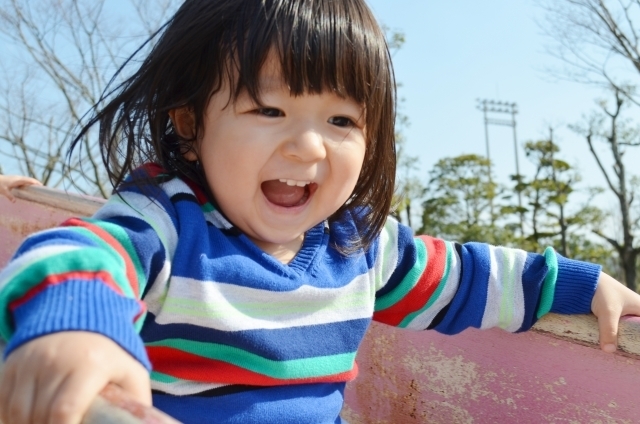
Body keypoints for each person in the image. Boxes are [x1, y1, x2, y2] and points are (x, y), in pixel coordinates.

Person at [0, 0, 638, 423]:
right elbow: (80, 256)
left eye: (340, 120)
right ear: (190, 121)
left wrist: (579, 286)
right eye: (269, 110)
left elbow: (467, 278)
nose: (308, 145)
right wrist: (76, 326)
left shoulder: (360, 248)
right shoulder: (169, 224)